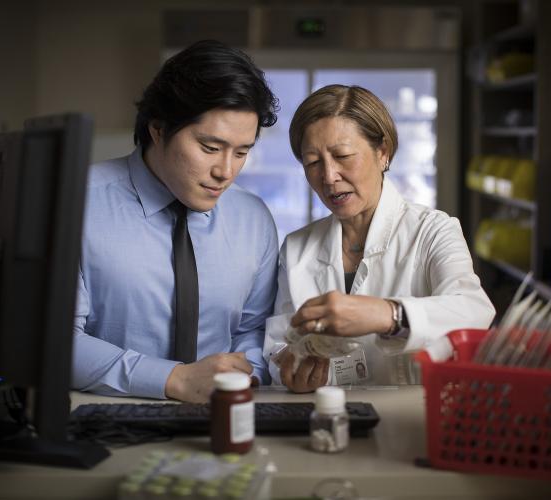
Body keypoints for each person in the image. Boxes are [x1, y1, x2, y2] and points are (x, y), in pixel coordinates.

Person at [72, 40, 279, 402]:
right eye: (210, 148)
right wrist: (175, 380)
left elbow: (254, 331)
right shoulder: (76, 203)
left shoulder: (254, 219)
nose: (225, 171)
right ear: (159, 128)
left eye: (242, 152)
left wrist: (248, 374)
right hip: (105, 421)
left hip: (222, 416)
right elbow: (54, 342)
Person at [263, 84, 495, 392]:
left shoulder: (433, 230)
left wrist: (388, 315)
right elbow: (279, 341)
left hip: (414, 417)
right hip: (326, 416)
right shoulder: (296, 247)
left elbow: (474, 311)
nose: (329, 176)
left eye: (343, 155)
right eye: (313, 162)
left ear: (382, 152)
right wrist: (288, 367)